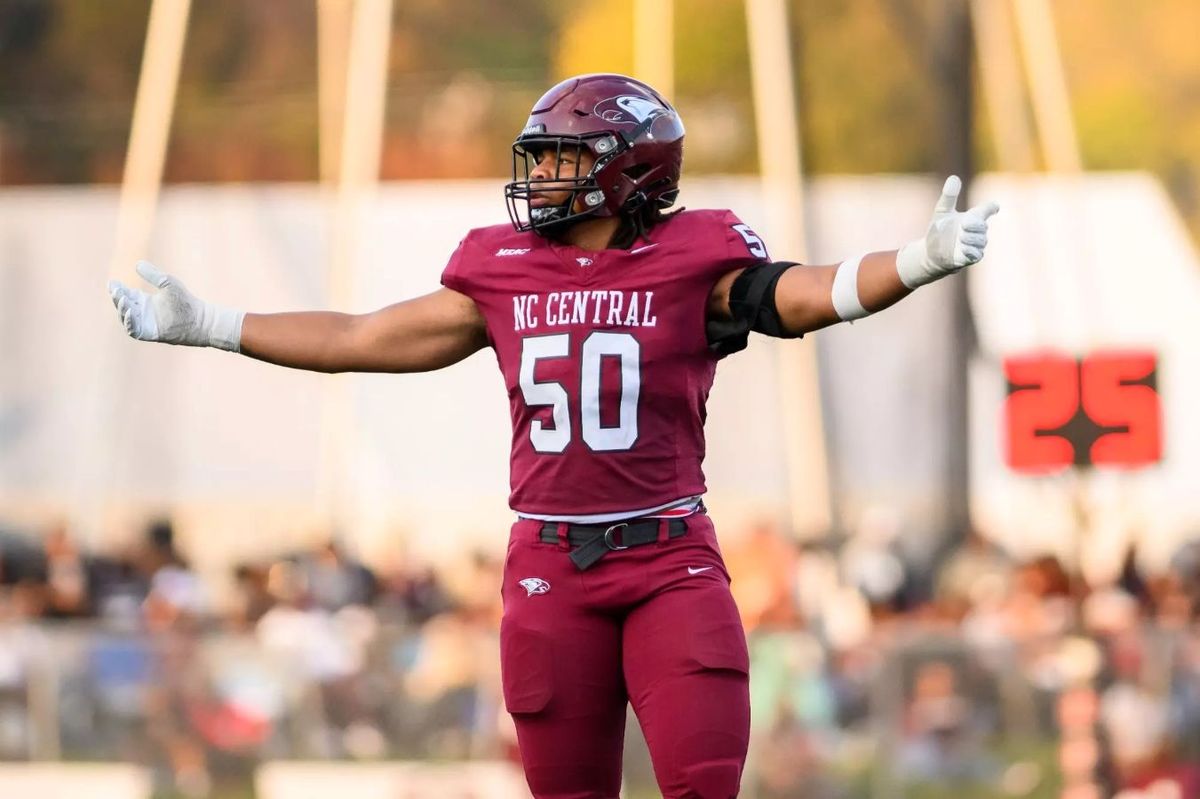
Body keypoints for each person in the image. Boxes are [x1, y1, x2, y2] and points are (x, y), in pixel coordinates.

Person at [107, 73, 999, 798]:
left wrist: (913, 264)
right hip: (548, 568)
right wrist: (215, 323)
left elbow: (804, 295)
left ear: (628, 168)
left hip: (668, 562)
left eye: (562, 157)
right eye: (538, 159)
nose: (539, 176)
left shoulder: (694, 257)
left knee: (703, 785)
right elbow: (358, 338)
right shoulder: (501, 270)